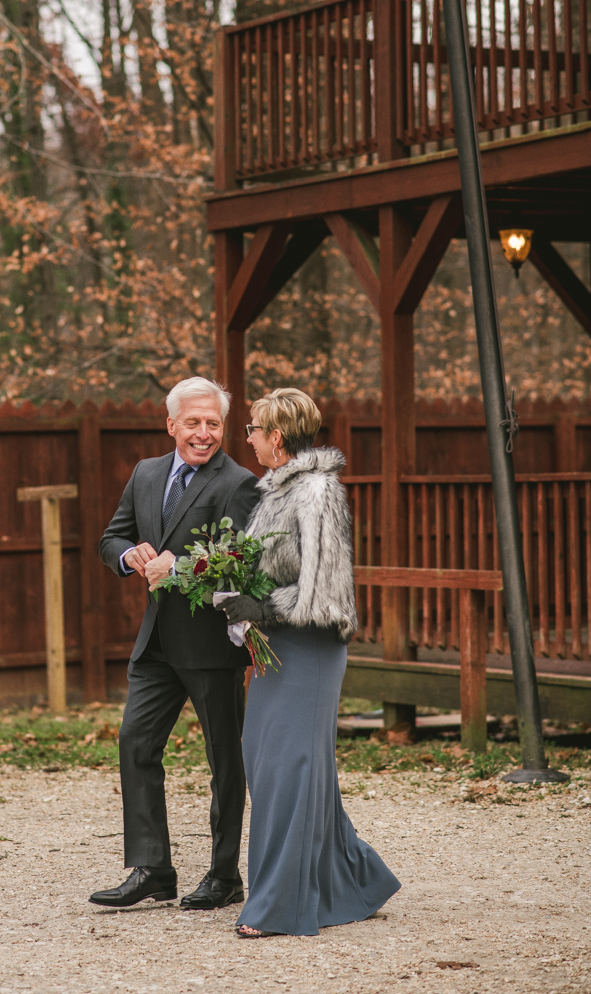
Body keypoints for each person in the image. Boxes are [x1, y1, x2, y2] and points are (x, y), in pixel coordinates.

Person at [218, 387, 400, 938]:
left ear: (276, 436)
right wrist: (234, 598)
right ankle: (357, 881)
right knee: (276, 763)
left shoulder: (316, 491)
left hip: (310, 646)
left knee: (288, 771)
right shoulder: (275, 491)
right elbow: (263, 569)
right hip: (277, 646)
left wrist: (258, 605)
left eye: (252, 428)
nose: (245, 437)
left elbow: (319, 591)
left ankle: (278, 906)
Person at [91, 376, 260, 911]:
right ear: (172, 425)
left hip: (212, 647)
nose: (204, 433)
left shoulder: (238, 482)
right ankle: (153, 869)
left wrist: (180, 565)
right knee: (136, 746)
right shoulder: (146, 473)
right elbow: (109, 538)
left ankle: (224, 875)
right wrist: (130, 555)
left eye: (213, 423)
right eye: (194, 422)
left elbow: (239, 562)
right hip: (156, 644)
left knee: (224, 761)